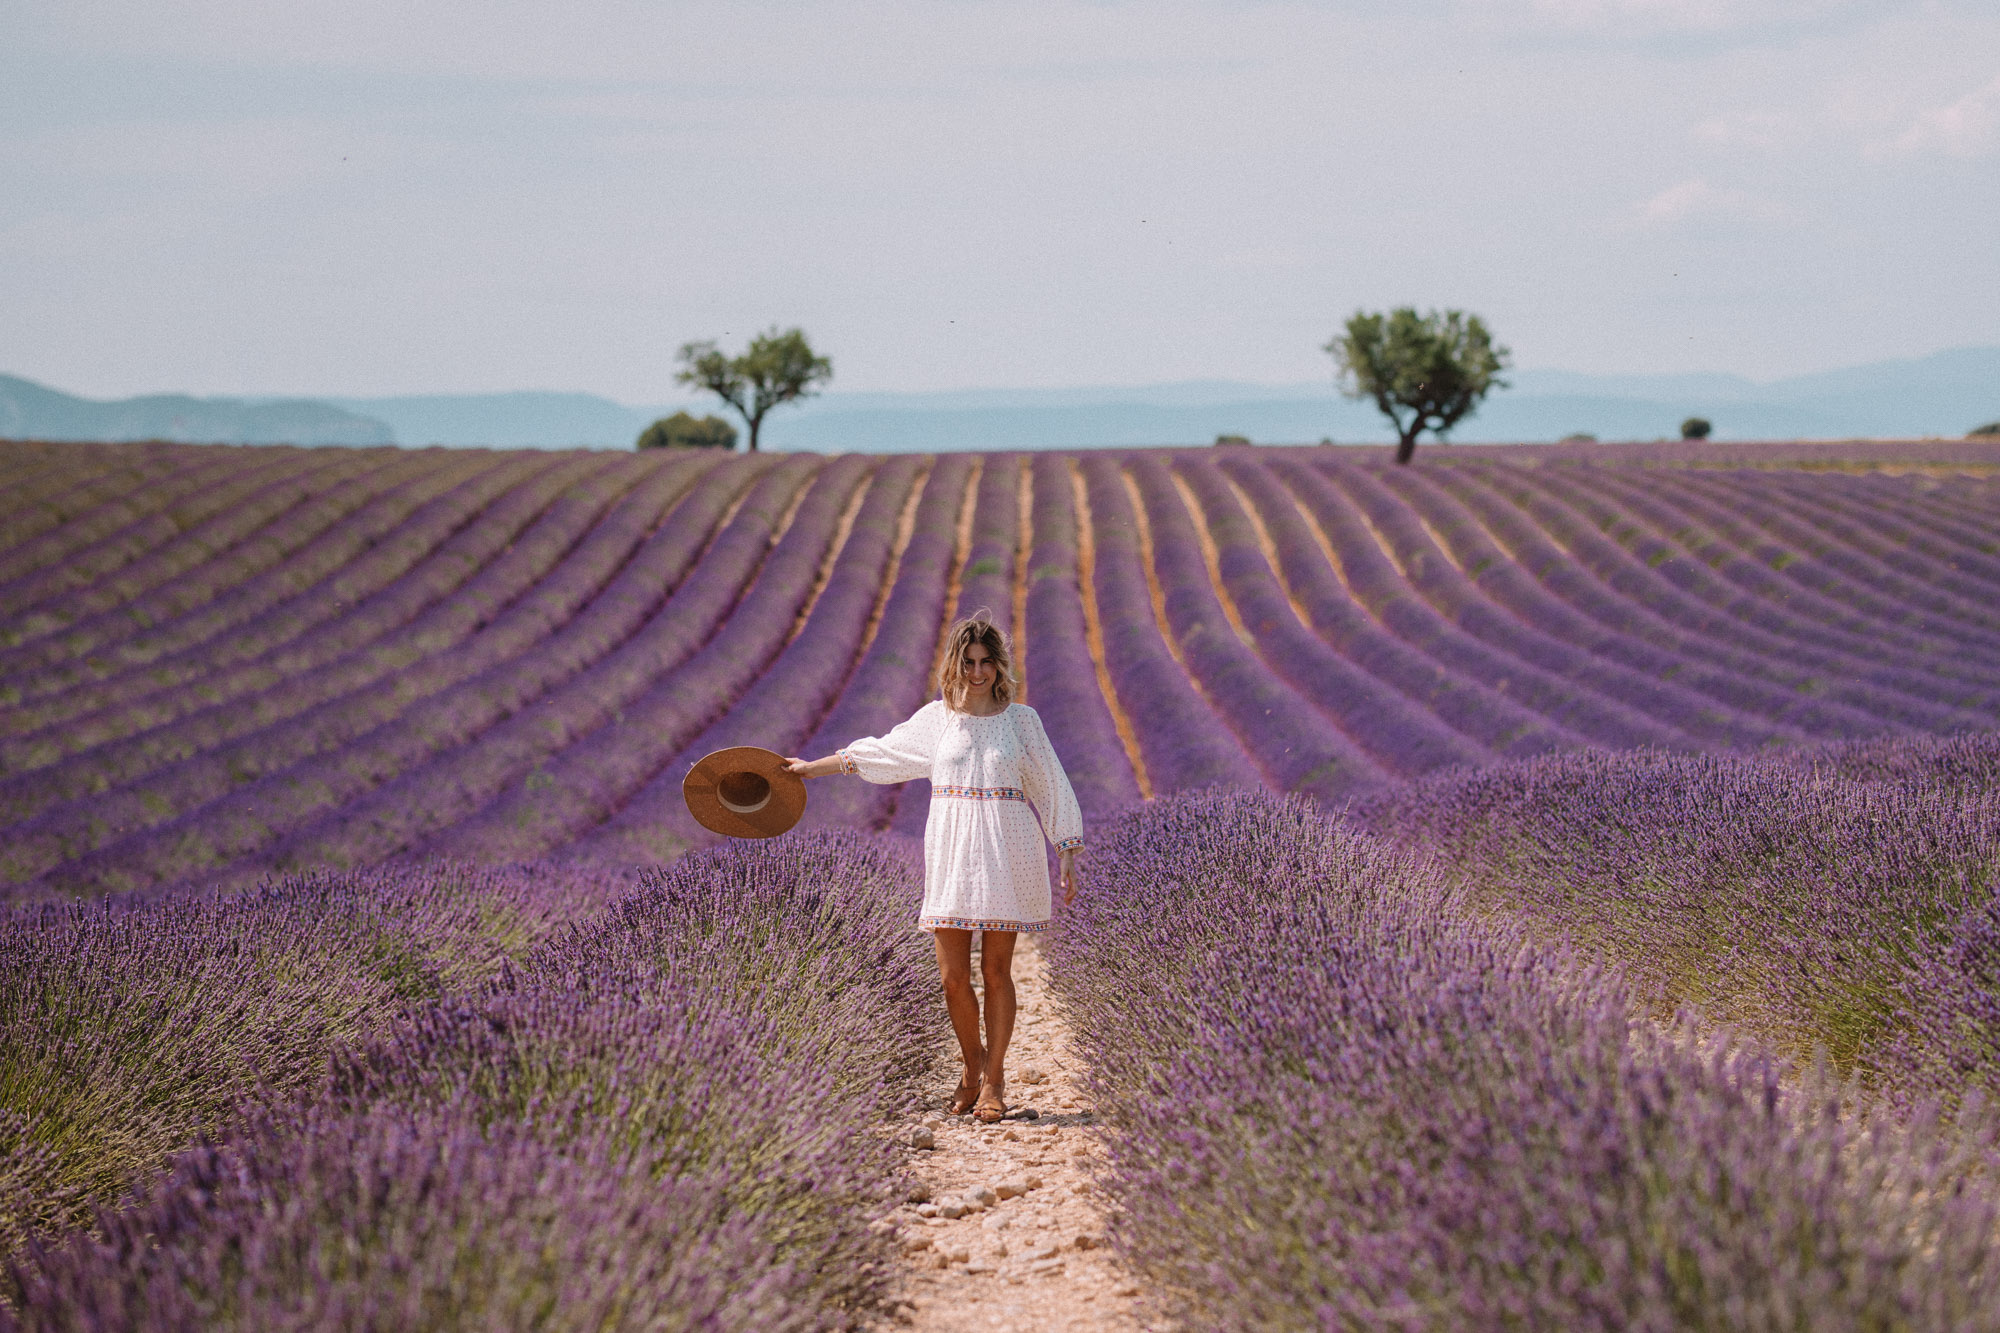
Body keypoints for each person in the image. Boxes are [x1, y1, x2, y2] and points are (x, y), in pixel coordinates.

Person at [785, 613, 1083, 1123]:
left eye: (987, 662)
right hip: (951, 853)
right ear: (954, 664)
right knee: (951, 977)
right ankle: (972, 1067)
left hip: (1008, 850)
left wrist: (1068, 850)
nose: (977, 672)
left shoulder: (1022, 721)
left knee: (996, 971)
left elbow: (1050, 783)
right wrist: (812, 769)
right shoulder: (937, 719)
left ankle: (994, 1081)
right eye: (968, 662)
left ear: (999, 665)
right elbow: (882, 752)